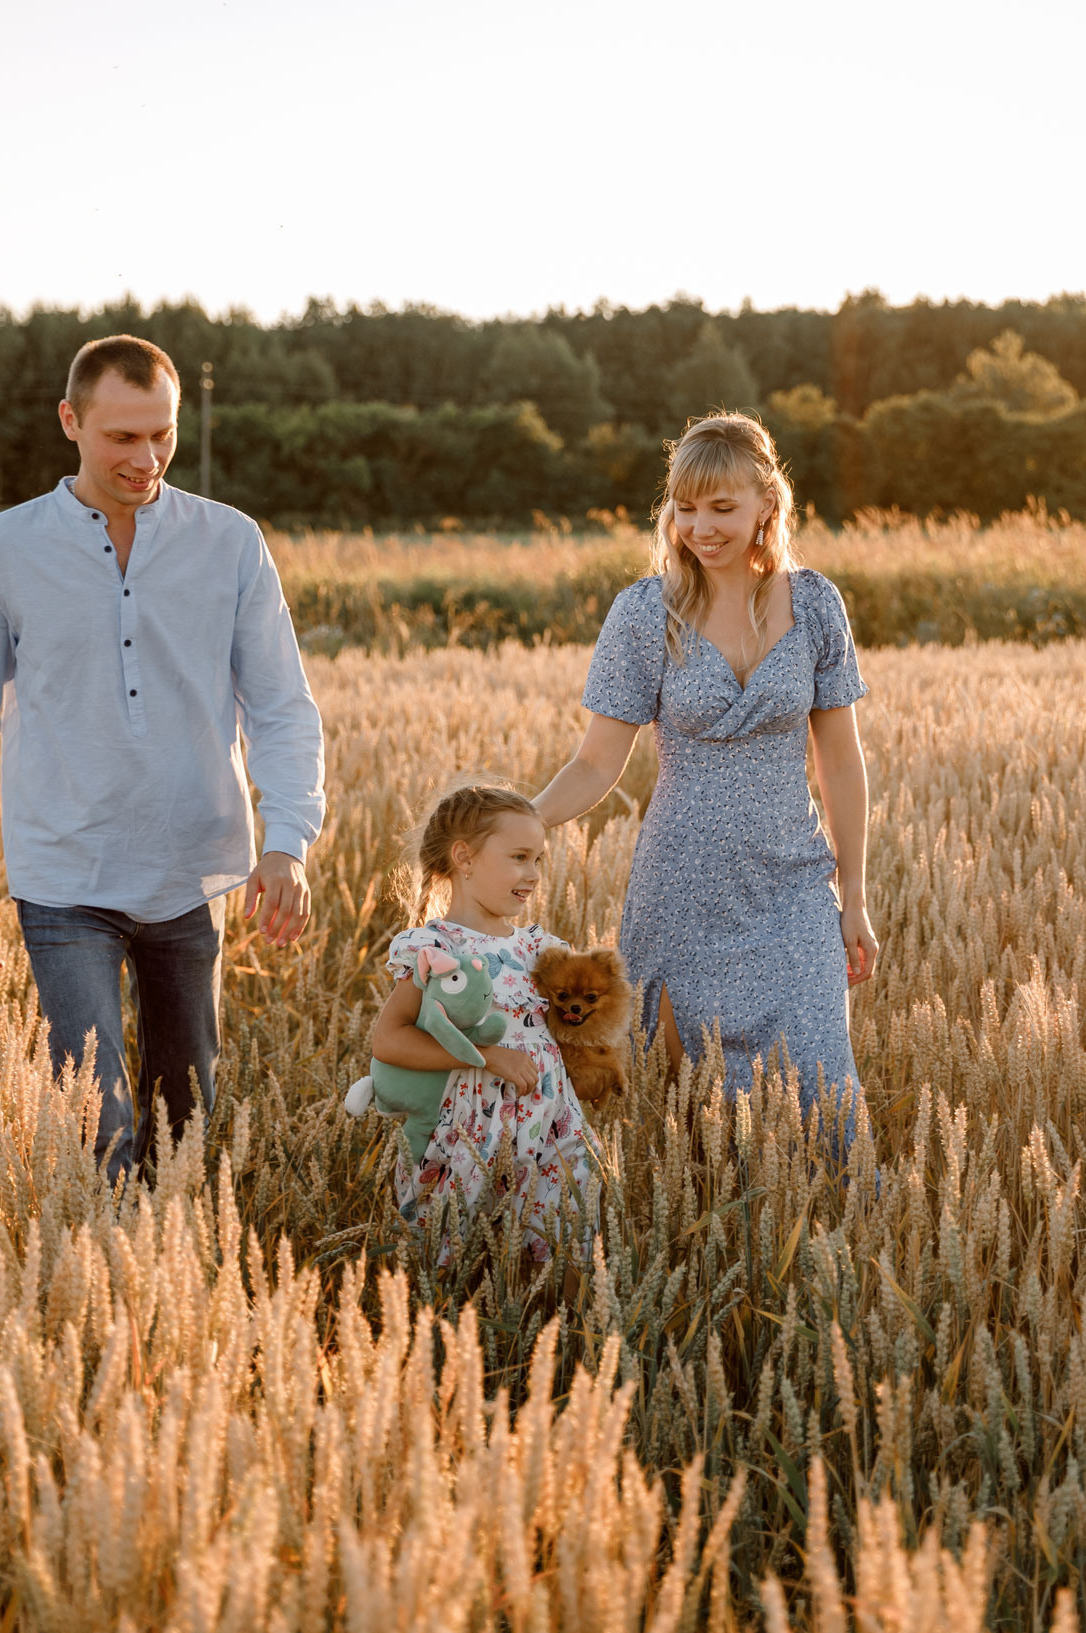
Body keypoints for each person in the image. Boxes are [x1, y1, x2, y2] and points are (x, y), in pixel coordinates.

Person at [0, 335, 325, 1183]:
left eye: (162, 435)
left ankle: (175, 1295)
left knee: (187, 1130)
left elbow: (282, 707)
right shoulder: (5, 547)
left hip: (193, 873)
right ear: (71, 421)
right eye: (123, 437)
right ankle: (104, 1291)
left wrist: (288, 839)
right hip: (64, 877)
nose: (147, 458)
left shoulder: (231, 542)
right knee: (99, 1130)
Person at [532, 412, 875, 1132]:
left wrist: (855, 897)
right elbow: (598, 760)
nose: (701, 527)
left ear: (767, 506)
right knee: (687, 1112)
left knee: (825, 1090)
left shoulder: (816, 605)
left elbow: (839, 760)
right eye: (685, 508)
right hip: (680, 890)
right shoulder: (642, 615)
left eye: (721, 507)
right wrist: (524, 819)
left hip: (793, 886)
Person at [365, 783, 601, 1244]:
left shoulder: (541, 949)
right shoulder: (437, 949)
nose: (533, 874)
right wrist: (487, 1056)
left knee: (567, 1240)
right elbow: (389, 1041)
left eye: (538, 860)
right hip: (468, 1131)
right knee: (462, 1253)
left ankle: (570, 1319)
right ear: (465, 858)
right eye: (519, 857)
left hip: (551, 1123)